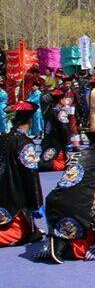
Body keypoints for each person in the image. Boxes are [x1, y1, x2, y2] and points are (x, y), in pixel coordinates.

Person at [37, 127, 95, 262]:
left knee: (67, 206)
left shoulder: (76, 155)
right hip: (81, 207)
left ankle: (59, 241)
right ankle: (70, 245)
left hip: (54, 200)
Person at [0, 102, 44, 247]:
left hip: (3, 194)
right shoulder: (25, 143)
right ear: (30, 121)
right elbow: (30, 174)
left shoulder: (3, 138)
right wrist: (37, 203)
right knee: (20, 233)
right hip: (14, 199)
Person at [39, 89, 77, 171]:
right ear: (61, 100)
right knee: (63, 164)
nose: (66, 101)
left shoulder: (49, 110)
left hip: (48, 141)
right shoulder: (60, 112)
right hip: (57, 144)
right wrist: (68, 143)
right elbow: (64, 130)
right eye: (65, 99)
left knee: (45, 159)